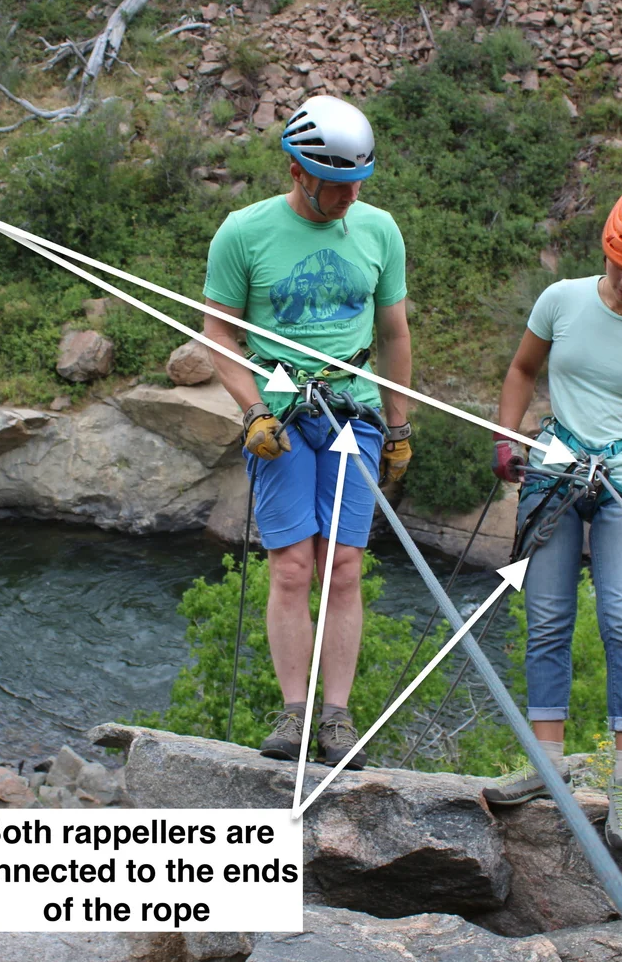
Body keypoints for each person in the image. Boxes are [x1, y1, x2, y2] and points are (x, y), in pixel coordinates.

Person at [482, 178, 622, 851]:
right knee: (546, 618)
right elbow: (522, 370)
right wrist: (507, 437)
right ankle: (548, 766)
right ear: (607, 245)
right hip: (552, 468)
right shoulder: (563, 301)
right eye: (621, 265)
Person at [202, 95, 413, 770]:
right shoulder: (244, 233)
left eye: (359, 183)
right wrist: (252, 410)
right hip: (284, 418)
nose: (353, 195)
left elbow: (393, 332)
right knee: (292, 569)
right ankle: (295, 714)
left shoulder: (379, 231)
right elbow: (218, 334)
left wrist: (401, 427)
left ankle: (339, 716)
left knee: (343, 567)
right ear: (300, 174)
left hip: (354, 407)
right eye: (340, 185)